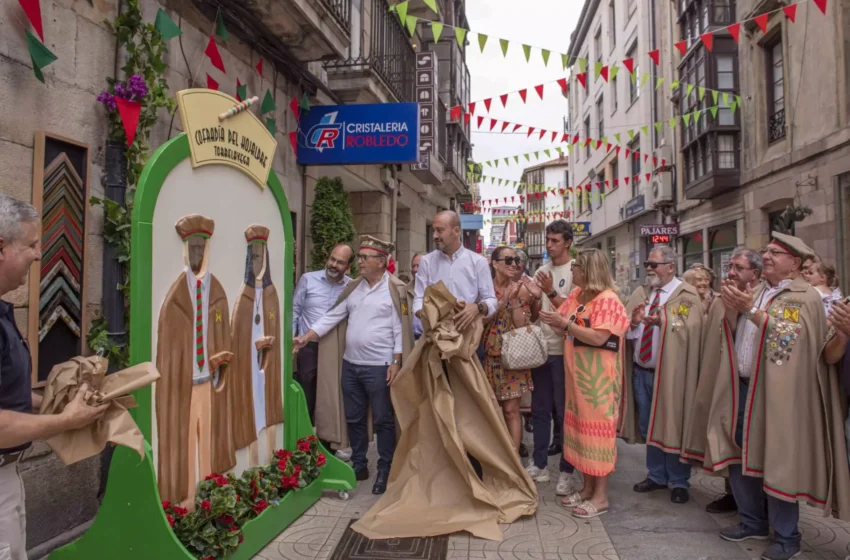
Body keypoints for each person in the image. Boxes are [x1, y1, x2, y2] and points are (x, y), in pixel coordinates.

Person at [701, 232, 850, 560]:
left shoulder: (803, 296)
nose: (765, 256)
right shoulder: (758, 291)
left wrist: (748, 309)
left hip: (776, 396)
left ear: (794, 264)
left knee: (779, 461)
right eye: (765, 252)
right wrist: (731, 308)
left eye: (774, 253)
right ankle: (752, 520)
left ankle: (786, 536)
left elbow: (788, 340)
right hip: (742, 388)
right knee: (740, 454)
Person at [0, 196, 109, 560]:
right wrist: (65, 420)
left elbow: (7, 396)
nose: (37, 255)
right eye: (30, 245)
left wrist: (52, 400)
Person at [294, 236, 413, 494]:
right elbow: (332, 317)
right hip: (350, 365)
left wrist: (396, 361)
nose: (358, 262)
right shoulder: (354, 288)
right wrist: (306, 336)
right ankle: (359, 464)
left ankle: (385, 468)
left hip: (379, 367)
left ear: (381, 262)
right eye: (358, 257)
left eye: (364, 258)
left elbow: (399, 329)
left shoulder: (395, 289)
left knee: (383, 421)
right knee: (354, 419)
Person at [539, 249, 629, 518]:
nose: (572, 271)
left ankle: (600, 497)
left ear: (588, 271)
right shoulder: (579, 296)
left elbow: (600, 338)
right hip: (577, 379)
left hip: (597, 382)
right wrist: (556, 320)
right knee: (580, 434)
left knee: (597, 437)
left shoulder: (608, 300)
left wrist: (565, 324)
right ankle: (588, 489)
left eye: (576, 267)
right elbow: (564, 320)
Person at [413, 210, 498, 478]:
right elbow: (418, 299)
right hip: (436, 345)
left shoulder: (477, 262)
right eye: (434, 230)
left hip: (468, 346)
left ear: (456, 231)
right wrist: (427, 313)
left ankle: (473, 466)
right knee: (438, 403)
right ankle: (442, 468)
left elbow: (492, 301)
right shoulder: (427, 262)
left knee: (470, 405)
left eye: (440, 230)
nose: (435, 235)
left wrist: (478, 308)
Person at [682, 248, 764, 516]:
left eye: (738, 268)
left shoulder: (764, 298)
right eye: (730, 267)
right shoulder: (720, 300)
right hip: (728, 381)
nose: (730, 272)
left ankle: (759, 509)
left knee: (752, 445)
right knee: (728, 439)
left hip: (758, 387)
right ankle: (736, 498)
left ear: (755, 273)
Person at [625, 245, 703, 504]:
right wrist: (635, 322)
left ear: (671, 266)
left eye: (654, 264)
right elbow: (626, 330)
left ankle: (679, 480)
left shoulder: (686, 295)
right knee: (649, 425)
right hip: (641, 371)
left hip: (671, 374)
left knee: (673, 425)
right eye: (648, 263)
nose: (649, 268)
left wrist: (663, 322)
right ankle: (656, 475)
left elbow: (692, 329)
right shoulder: (641, 293)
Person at [526, 220, 577, 495]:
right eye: (548, 240)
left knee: (564, 412)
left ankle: (567, 471)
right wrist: (534, 298)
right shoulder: (541, 270)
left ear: (567, 242)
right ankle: (540, 464)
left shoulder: (575, 270)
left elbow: (575, 311)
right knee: (540, 409)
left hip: (564, 350)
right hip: (541, 349)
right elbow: (536, 312)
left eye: (555, 240)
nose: (549, 245)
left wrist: (548, 292)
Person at [292, 243, 353, 461]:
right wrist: (293, 340)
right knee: (306, 396)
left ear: (348, 267)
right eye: (332, 259)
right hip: (307, 348)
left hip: (335, 351)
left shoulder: (351, 287)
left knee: (329, 398)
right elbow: (295, 311)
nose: (333, 265)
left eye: (340, 262)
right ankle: (304, 447)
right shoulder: (308, 279)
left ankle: (327, 448)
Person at [482, 246, 539, 451]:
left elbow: (522, 325)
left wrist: (514, 300)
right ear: (495, 263)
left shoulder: (521, 288)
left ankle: (513, 463)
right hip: (489, 357)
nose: (514, 264)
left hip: (514, 358)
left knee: (511, 411)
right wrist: (501, 301)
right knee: (490, 412)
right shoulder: (484, 288)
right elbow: (481, 321)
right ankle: (496, 459)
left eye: (516, 260)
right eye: (508, 260)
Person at [408, 252, 425, 340]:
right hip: (410, 341)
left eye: (418, 266)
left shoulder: (437, 291)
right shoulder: (404, 291)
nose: (415, 269)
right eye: (413, 266)